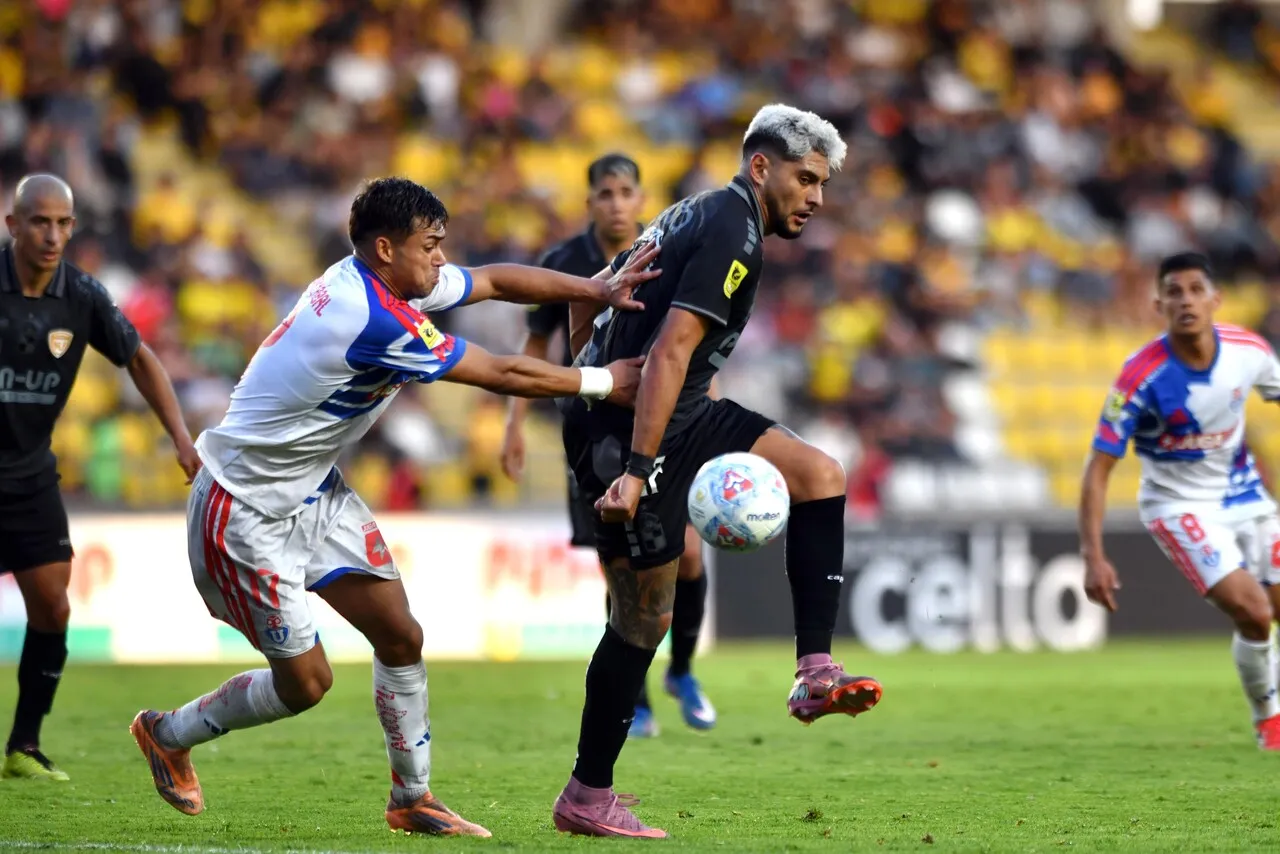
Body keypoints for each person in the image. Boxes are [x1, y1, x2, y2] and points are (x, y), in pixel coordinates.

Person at [129, 177, 659, 837]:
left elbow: (491, 280)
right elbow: (498, 373)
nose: (442, 260)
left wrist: (595, 288)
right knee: (306, 685)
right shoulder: (370, 316)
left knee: (401, 635)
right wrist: (606, 382)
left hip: (312, 487)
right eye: (431, 247)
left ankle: (412, 797)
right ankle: (167, 732)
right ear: (386, 248)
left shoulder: (387, 281)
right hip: (243, 508)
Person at [552, 105, 883, 839]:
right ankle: (586, 794)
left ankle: (814, 671)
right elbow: (668, 350)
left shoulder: (696, 211)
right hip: (635, 428)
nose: (817, 198)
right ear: (760, 166)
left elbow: (601, 296)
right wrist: (635, 469)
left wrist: (590, 364)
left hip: (688, 410)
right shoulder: (731, 229)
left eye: (822, 184)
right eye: (806, 178)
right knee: (643, 618)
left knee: (821, 473)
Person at [500, 153, 715, 739]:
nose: (616, 203)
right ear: (590, 201)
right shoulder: (566, 264)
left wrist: (707, 415)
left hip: (664, 427)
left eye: (626, 193)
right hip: (593, 435)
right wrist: (514, 424)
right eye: (606, 193)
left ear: (641, 199)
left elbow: (693, 343)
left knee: (688, 554)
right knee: (622, 574)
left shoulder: (673, 250)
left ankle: (684, 671)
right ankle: (638, 699)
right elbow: (536, 346)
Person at [0, 174, 200, 781]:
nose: (53, 234)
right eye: (40, 221)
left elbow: (140, 357)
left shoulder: (82, 295)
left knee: (53, 608)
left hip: (30, 477)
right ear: (13, 225)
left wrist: (180, 436)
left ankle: (23, 747)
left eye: (64, 223)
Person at [1081, 251, 1280, 750]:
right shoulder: (1140, 377)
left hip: (1247, 496)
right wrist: (1094, 556)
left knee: (1273, 607)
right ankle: (1271, 723)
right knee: (1255, 612)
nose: (1186, 300)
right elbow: (1100, 465)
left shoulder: (1248, 351)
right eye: (1175, 291)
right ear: (1158, 304)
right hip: (1178, 506)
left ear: (1217, 299)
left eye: (1196, 290)